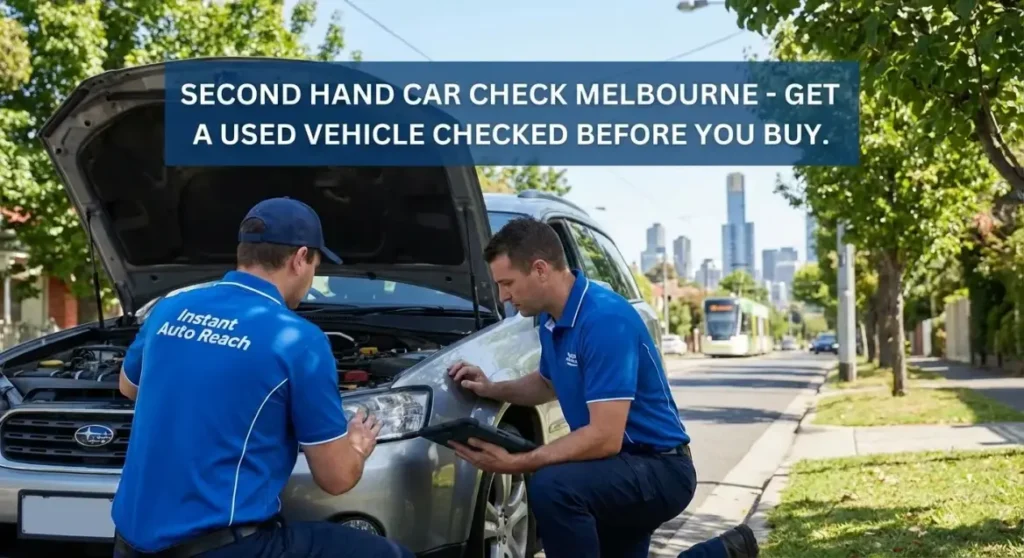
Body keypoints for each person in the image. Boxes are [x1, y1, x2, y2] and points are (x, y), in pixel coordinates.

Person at [112, 197, 415, 558]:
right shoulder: (298, 340)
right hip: (224, 548)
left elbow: (129, 386)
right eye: (315, 265)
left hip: (130, 544)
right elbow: (337, 479)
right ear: (300, 258)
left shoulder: (169, 309)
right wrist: (357, 446)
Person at [446, 217, 759, 558]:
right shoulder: (551, 321)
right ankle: (726, 552)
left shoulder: (604, 319)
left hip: (658, 468)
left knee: (554, 486)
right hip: (615, 470)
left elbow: (604, 437)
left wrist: (520, 461)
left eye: (508, 283)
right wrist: (492, 388)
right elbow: (546, 383)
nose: (503, 296)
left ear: (539, 269)